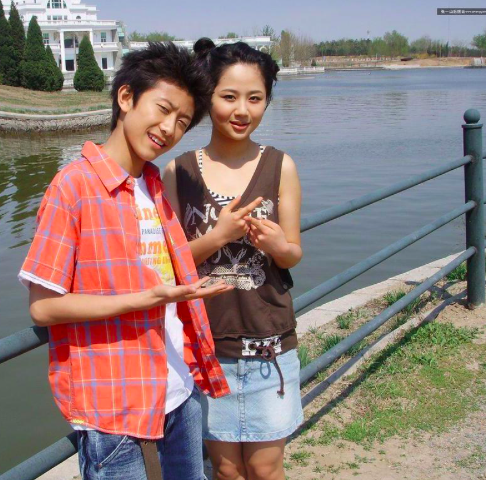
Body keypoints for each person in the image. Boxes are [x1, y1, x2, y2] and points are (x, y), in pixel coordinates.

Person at [18, 42, 232, 480]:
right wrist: (144, 299)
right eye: (163, 109)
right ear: (126, 97)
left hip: (178, 387)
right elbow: (43, 306)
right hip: (114, 404)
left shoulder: (152, 185)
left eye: (183, 122)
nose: (169, 128)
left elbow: (160, 276)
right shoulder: (73, 187)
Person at [163, 38, 304, 480]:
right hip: (206, 348)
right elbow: (168, 264)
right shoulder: (178, 172)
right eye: (229, 97)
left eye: (255, 98)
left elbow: (293, 254)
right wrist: (217, 237)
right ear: (208, 98)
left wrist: (277, 245)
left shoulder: (281, 166)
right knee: (225, 470)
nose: (242, 110)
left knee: (265, 467)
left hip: (269, 345)